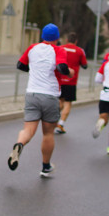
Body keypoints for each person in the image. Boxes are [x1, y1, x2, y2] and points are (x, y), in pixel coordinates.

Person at [7, 23, 71, 178]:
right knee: (48, 133)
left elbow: (20, 65)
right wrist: (69, 73)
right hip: (50, 95)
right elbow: (62, 68)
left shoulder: (32, 48)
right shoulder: (59, 50)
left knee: (28, 130)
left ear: (42, 36)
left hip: (32, 94)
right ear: (57, 38)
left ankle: (19, 144)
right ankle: (45, 166)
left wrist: (35, 69)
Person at [55, 31, 87, 134]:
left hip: (59, 80)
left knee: (60, 101)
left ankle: (52, 120)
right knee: (67, 103)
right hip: (71, 81)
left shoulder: (60, 48)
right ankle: (61, 124)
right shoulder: (79, 51)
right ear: (76, 41)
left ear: (67, 40)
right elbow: (85, 65)